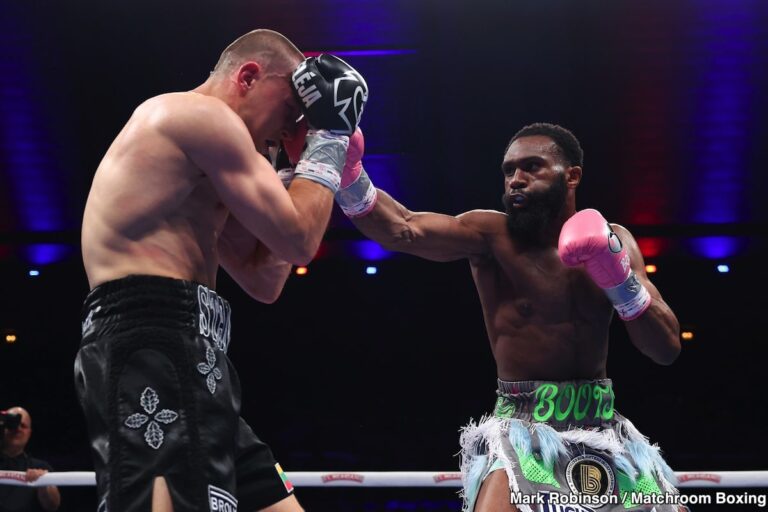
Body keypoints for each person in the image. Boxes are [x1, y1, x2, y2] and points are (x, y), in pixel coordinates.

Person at [76, 29, 368, 512]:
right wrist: (329, 139)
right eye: (290, 110)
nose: (290, 128)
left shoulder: (207, 173)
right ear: (248, 77)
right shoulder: (198, 116)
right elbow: (300, 241)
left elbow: (264, 279)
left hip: (198, 350)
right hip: (149, 344)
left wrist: (294, 170)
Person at [336, 123, 685, 511]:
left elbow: (666, 348)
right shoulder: (492, 236)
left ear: (572, 176)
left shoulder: (613, 239)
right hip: (522, 428)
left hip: (602, 426)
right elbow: (403, 227)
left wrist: (620, 282)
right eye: (509, 170)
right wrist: (348, 174)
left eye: (532, 167)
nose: (516, 179)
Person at [0, 407, 61, 512]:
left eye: (23, 426)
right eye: (12, 424)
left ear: (29, 433)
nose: (17, 429)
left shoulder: (40, 467)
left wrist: (43, 481)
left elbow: (53, 505)